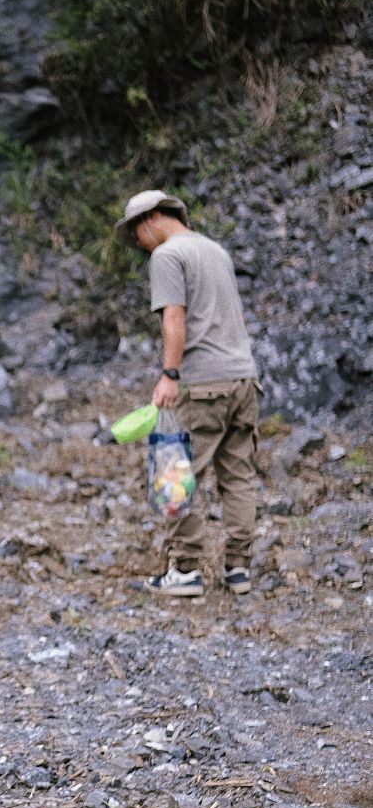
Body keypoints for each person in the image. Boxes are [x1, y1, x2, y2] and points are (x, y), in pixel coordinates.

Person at [115, 189, 261, 597]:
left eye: (136, 234)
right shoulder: (216, 251)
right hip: (244, 379)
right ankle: (238, 568)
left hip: (202, 384)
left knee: (178, 473)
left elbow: (174, 317)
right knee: (238, 477)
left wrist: (170, 374)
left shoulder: (167, 256)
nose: (140, 245)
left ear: (151, 219)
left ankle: (185, 570)